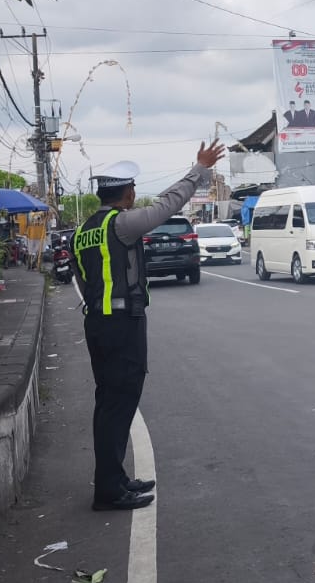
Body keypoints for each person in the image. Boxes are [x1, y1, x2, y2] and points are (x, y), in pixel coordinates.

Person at [72, 140, 224, 512]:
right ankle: (108, 489)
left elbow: (81, 278)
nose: (136, 195)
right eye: (133, 190)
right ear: (125, 193)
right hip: (121, 323)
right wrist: (199, 169)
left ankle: (115, 477)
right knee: (118, 403)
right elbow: (168, 204)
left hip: (98, 323)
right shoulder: (122, 223)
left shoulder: (84, 229)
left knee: (110, 402)